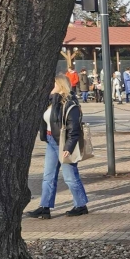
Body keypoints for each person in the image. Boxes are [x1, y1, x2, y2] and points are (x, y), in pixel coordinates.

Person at [26, 75, 89, 220]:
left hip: (63, 143)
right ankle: (45, 207)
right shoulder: (51, 102)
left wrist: (68, 147)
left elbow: (74, 128)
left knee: (70, 177)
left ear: (60, 85)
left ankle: (81, 205)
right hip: (51, 141)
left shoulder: (70, 103)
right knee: (48, 176)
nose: (51, 86)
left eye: (53, 84)